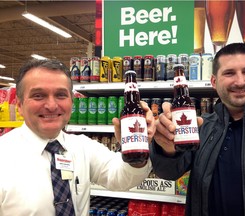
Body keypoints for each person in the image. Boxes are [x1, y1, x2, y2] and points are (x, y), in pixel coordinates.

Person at [0, 59, 155, 215]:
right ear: (19, 105)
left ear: (71, 103)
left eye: (61, 95)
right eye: (38, 96)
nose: (52, 105)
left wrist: (136, 148)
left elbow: (122, 178)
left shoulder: (82, 147)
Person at [150, 43, 245, 216]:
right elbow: (168, 172)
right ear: (214, 81)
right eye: (229, 73)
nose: (240, 81)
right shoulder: (200, 126)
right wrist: (167, 149)